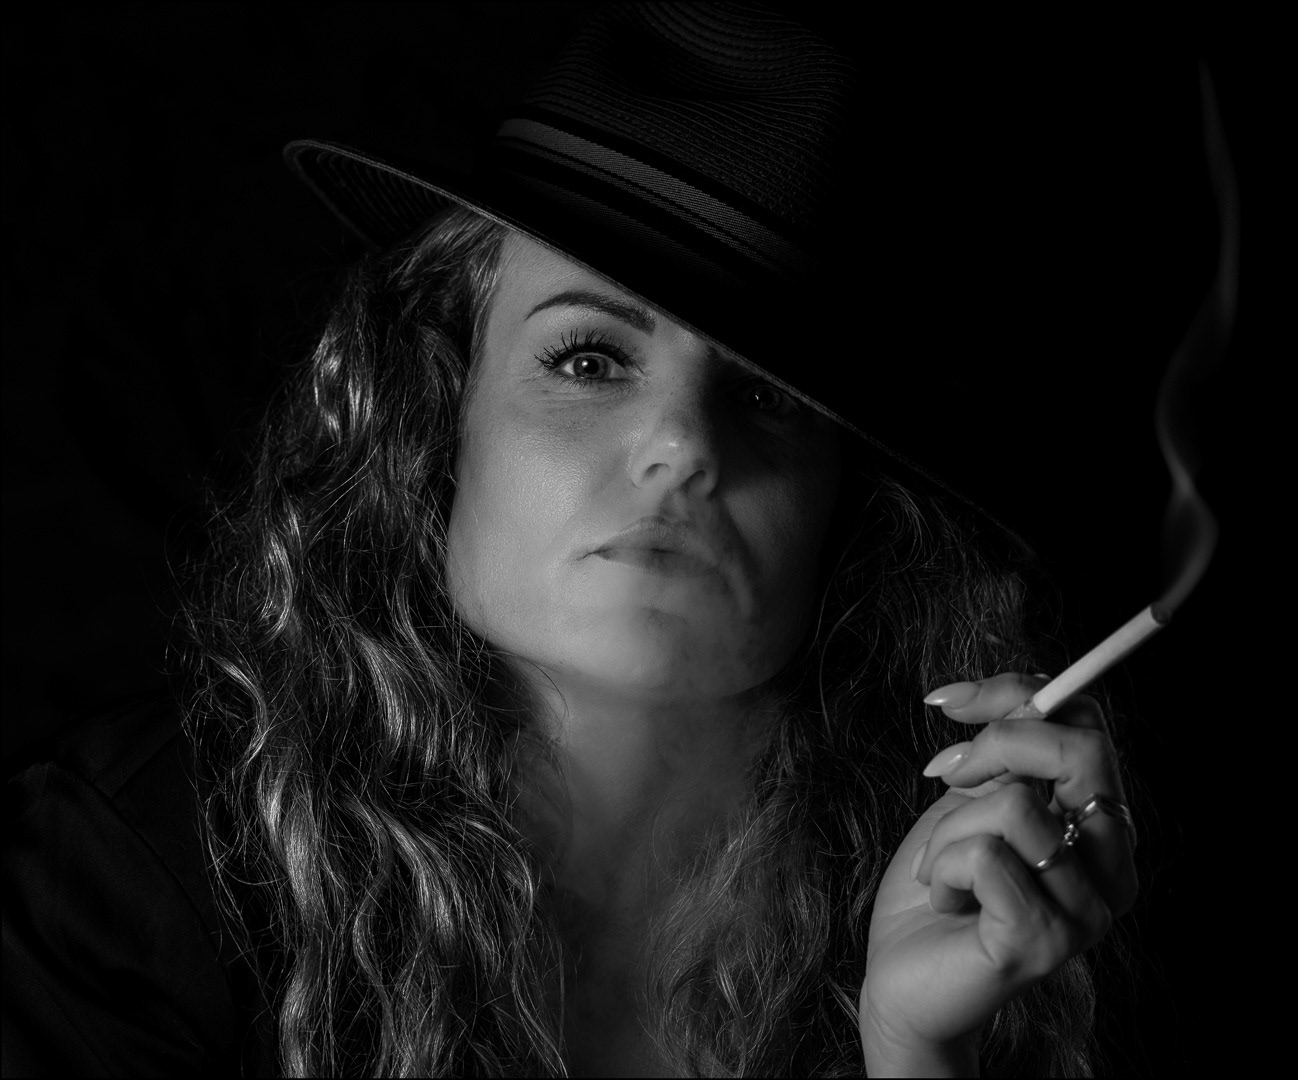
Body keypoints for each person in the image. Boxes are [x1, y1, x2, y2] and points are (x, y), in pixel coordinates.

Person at [4, 4, 1141, 1075]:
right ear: (437, 413)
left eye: (768, 397)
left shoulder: (997, 899)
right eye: (589, 359)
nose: (682, 446)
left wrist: (915, 1049)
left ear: (845, 505)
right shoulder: (138, 876)